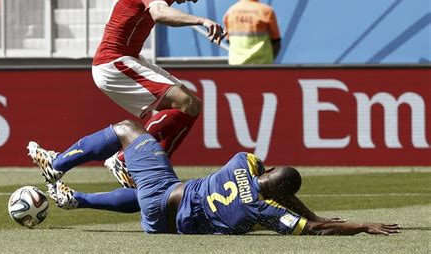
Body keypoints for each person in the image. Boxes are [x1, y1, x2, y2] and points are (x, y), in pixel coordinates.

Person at [92, 0, 303, 185]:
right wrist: (200, 20)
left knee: (191, 106)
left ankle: (152, 166)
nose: (195, 0)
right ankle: (126, 157)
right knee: (185, 103)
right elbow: (160, 13)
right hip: (113, 62)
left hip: (127, 59)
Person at [28, 120, 400, 235]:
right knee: (151, 199)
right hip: (161, 225)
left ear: (266, 170)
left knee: (127, 129)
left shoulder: (244, 161)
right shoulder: (263, 211)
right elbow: (312, 228)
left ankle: (58, 164)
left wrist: (315, 217)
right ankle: (79, 200)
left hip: (167, 192)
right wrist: (362, 225)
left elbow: (280, 188)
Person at [223, 0, 281, 65]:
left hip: (236, 65)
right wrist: (269, 61)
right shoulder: (266, 11)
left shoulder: (230, 12)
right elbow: (276, 41)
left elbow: (229, 40)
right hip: (262, 65)